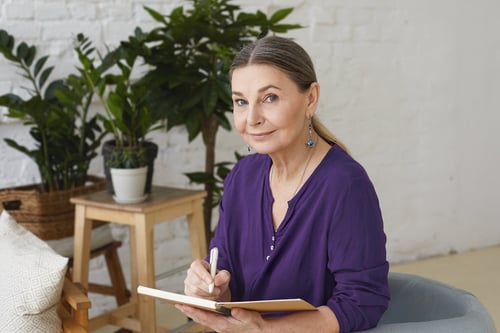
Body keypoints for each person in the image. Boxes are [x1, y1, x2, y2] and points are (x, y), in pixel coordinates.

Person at [175, 36, 390, 333]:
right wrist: (209, 288)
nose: (252, 118)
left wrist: (264, 330)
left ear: (310, 98)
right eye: (241, 101)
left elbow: (363, 303)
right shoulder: (242, 178)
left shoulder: (345, 185)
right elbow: (229, 286)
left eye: (270, 98)